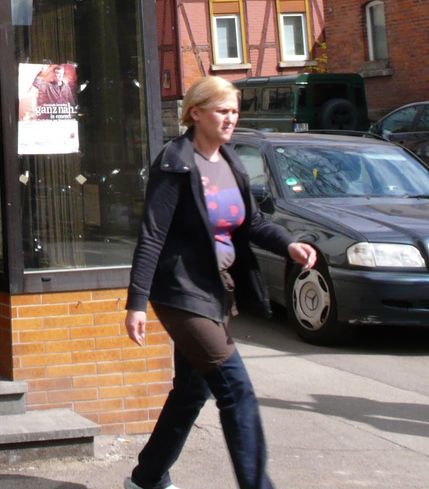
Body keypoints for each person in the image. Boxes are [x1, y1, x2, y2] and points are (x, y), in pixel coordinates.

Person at [123, 75, 319, 489]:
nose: (230, 119)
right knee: (237, 391)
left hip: (216, 291)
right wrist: (136, 302)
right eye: (221, 111)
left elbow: (253, 222)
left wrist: (290, 246)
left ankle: (146, 477)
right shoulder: (175, 162)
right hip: (180, 292)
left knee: (192, 392)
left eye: (234, 111)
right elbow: (152, 235)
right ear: (196, 113)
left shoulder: (230, 161)